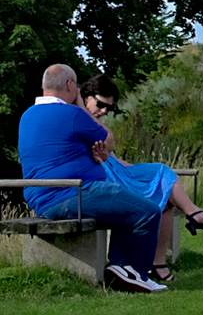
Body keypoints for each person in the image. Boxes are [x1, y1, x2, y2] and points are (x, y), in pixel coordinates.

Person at [16, 63, 166, 294]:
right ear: (69, 85)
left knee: (124, 205)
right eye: (75, 85)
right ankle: (133, 272)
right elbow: (108, 139)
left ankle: (121, 268)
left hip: (41, 198)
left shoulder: (27, 116)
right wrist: (79, 105)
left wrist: (93, 152)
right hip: (72, 194)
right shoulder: (72, 113)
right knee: (147, 211)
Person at [77, 72, 203, 286]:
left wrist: (134, 169)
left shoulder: (89, 119)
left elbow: (112, 155)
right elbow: (104, 145)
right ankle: (192, 217)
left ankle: (161, 259)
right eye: (100, 104)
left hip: (111, 167)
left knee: (162, 182)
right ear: (86, 96)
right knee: (159, 186)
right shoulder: (78, 116)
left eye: (109, 108)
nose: (103, 111)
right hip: (99, 178)